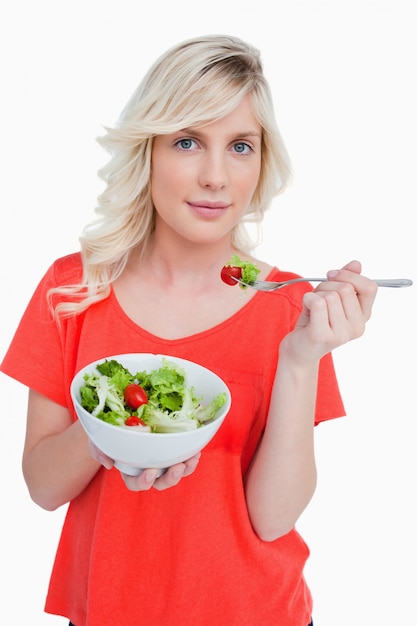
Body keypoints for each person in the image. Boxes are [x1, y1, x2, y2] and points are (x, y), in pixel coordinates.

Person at [0, 34, 377, 626]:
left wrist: (301, 361)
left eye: (241, 146)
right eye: (187, 141)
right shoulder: (73, 289)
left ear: (262, 160)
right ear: (147, 150)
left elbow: (273, 518)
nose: (216, 177)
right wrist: (115, 434)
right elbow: (42, 488)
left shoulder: (288, 305)